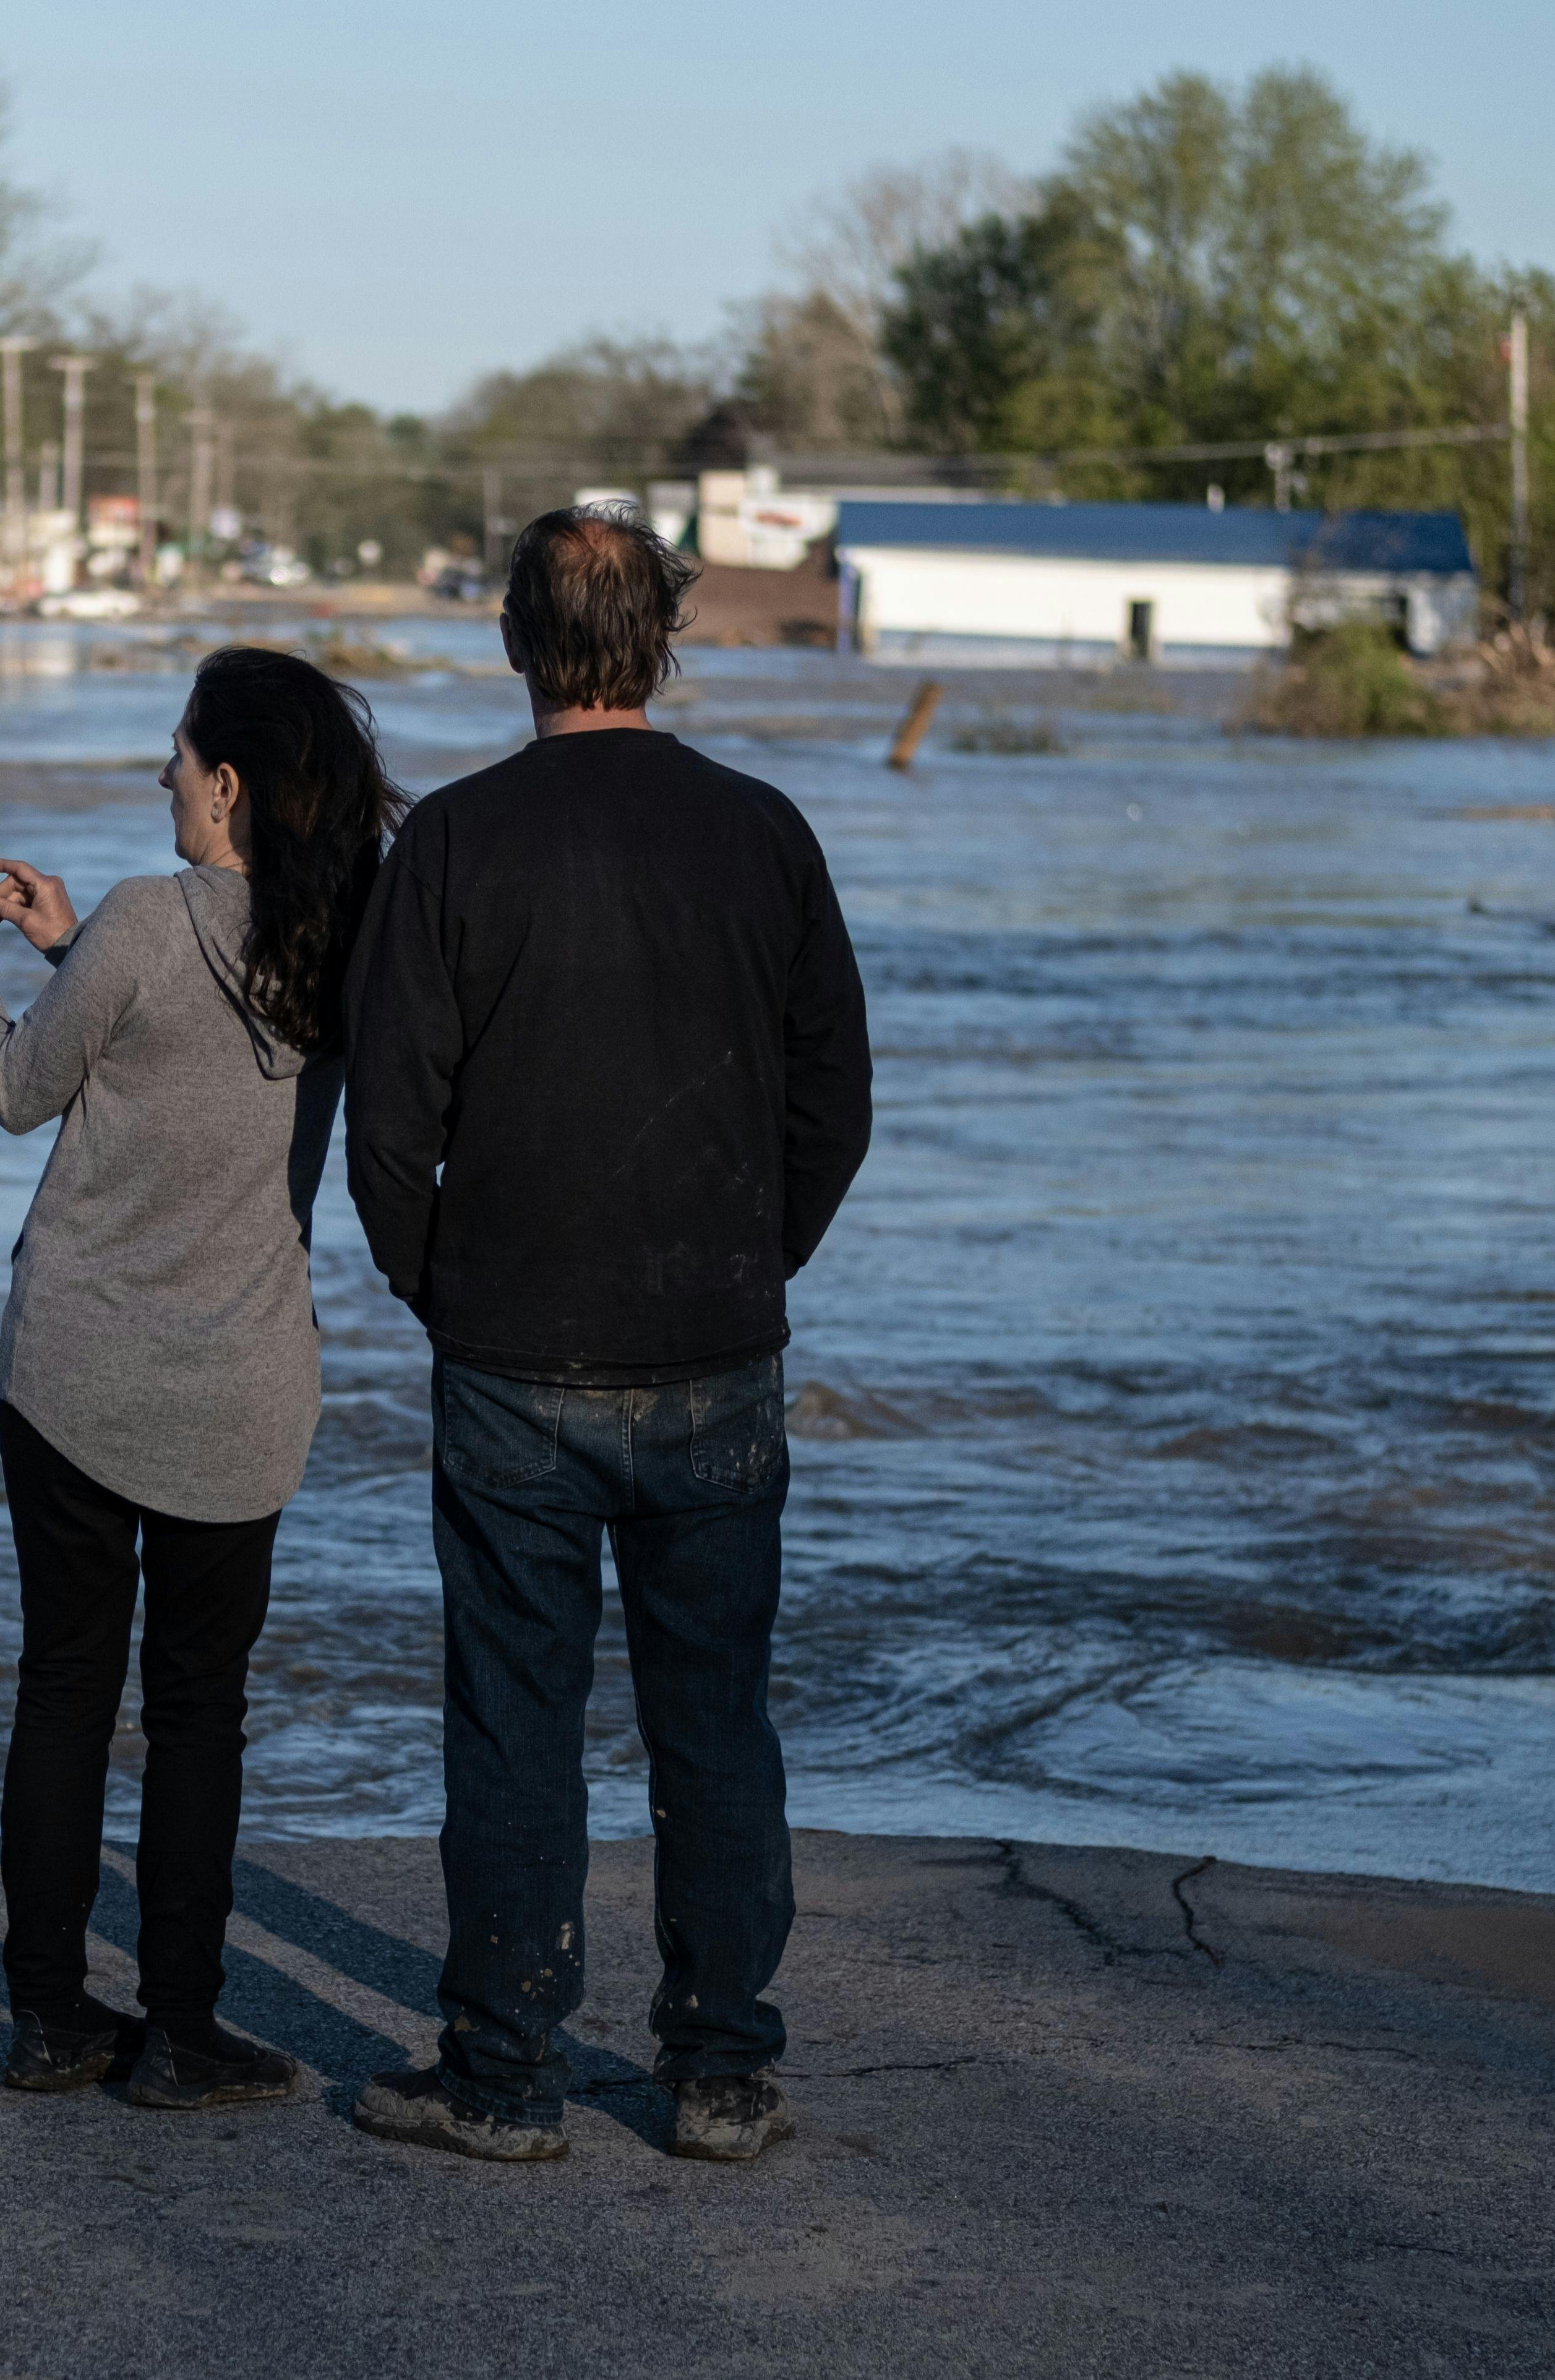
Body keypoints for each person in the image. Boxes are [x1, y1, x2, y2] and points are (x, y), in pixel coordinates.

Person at [341, 506, 873, 2165]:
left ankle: (506, 2076)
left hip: (513, 1352)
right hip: (716, 1343)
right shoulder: (764, 832)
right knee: (713, 1719)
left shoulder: (450, 845)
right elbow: (831, 1103)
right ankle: (718, 2074)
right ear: (666, 643)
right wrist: (750, 1261)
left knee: (516, 1721)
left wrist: (450, 1285)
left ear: (513, 643)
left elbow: (384, 1122)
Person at [0, 646, 403, 2111]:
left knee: (65, 1692)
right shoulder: (348, 942)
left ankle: (54, 2018)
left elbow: (14, 1089)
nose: (161, 779)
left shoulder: (138, 923)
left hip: (74, 1373)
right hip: (244, 1391)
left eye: (176, 760)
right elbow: (200, 1054)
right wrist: (74, 953)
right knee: (202, 1714)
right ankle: (182, 2028)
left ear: (230, 784)